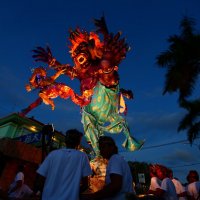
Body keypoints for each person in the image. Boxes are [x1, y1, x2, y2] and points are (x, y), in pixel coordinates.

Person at [35, 129, 92, 200]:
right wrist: (73, 194)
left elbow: (40, 180)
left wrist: (46, 192)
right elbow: (86, 184)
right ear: (79, 142)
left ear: (65, 140)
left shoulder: (53, 154)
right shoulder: (82, 156)